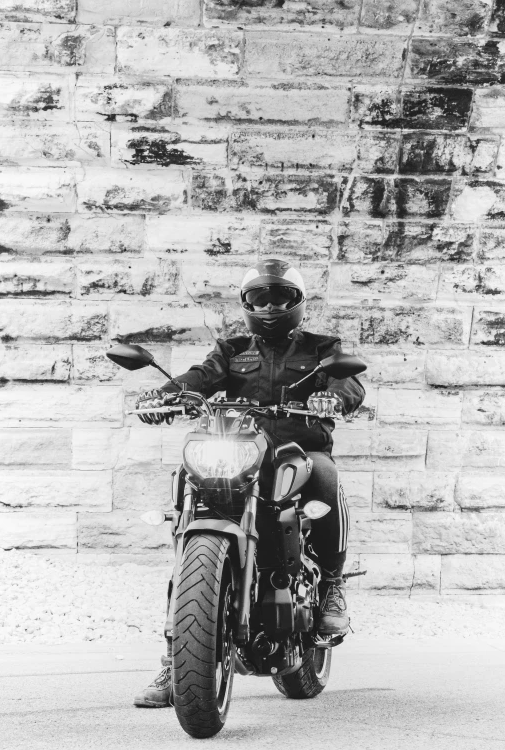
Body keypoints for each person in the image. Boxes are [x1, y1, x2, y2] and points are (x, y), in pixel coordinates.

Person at [133, 258, 365, 708]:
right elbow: (199, 379)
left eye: (280, 297)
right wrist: (164, 395)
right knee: (188, 474)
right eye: (261, 297)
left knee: (326, 473)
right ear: (247, 303)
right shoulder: (232, 348)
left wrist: (331, 396)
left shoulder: (322, 347)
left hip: (296, 451)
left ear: (297, 302)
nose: (271, 305)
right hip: (241, 452)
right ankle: (178, 656)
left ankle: (332, 584)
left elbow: (349, 383)